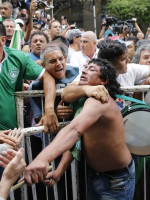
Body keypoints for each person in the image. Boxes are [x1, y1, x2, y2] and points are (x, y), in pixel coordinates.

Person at [24, 58, 135, 200]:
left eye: (92, 69)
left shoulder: (99, 101)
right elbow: (78, 140)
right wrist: (59, 171)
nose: (84, 70)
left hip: (116, 181)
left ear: (104, 81)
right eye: (85, 67)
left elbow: (73, 130)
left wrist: (42, 158)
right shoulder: (84, 99)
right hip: (97, 175)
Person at [0, 22, 58, 133]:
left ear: (3, 40)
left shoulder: (17, 57)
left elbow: (47, 77)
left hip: (12, 135)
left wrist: (49, 110)